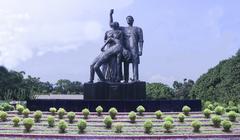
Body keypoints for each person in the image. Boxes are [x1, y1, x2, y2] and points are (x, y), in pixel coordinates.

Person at [110, 9, 144, 82]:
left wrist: (141, 50)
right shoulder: (122, 29)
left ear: (133, 20)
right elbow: (111, 25)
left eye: (130, 18)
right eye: (127, 19)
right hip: (126, 49)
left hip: (134, 49)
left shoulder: (138, 29)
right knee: (126, 64)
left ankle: (135, 79)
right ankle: (126, 80)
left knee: (135, 64)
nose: (129, 20)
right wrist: (111, 15)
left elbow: (141, 40)